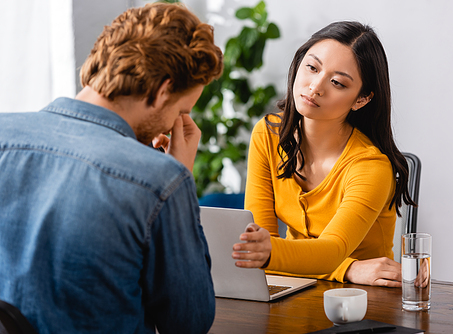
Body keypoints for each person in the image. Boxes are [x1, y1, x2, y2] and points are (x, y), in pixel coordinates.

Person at [0, 3, 222, 334]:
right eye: (182, 110)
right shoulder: (159, 180)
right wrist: (180, 178)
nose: (175, 124)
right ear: (163, 91)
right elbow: (189, 322)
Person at [233, 21, 416, 287]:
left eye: (337, 82)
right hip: (291, 288)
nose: (315, 87)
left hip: (364, 301)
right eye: (312, 67)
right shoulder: (268, 134)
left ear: (361, 99)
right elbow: (261, 245)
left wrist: (274, 255)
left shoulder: (370, 166)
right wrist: (349, 269)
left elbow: (328, 250)